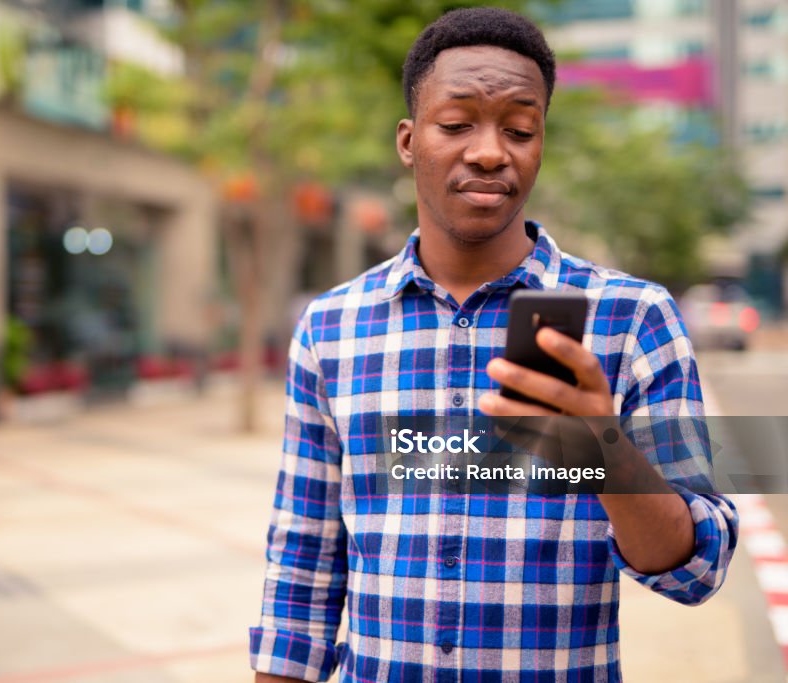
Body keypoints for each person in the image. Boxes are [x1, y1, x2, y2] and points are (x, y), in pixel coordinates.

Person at [249, 6, 738, 682]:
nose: (489, 151)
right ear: (408, 140)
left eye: (520, 128)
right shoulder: (332, 326)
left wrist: (601, 449)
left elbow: (699, 567)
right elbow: (302, 566)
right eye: (455, 125)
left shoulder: (633, 319)